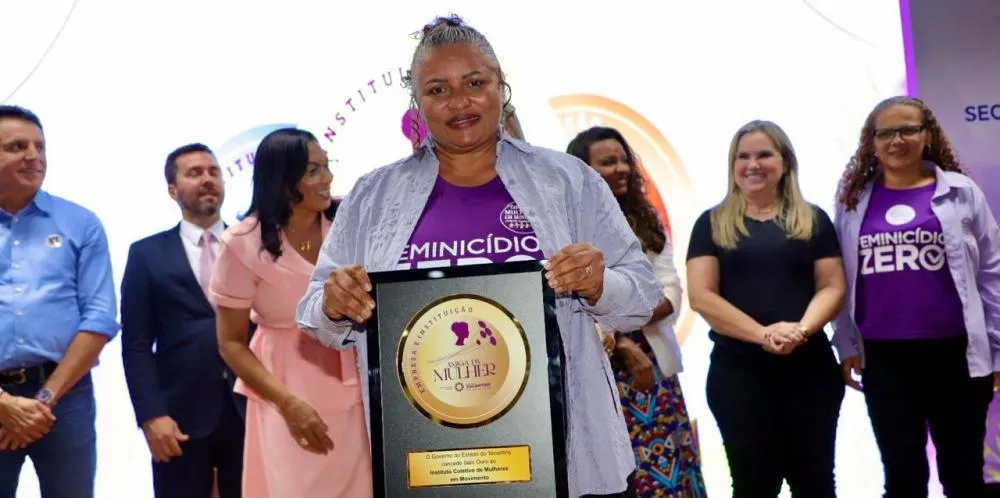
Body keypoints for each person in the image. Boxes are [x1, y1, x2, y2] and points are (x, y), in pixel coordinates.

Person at [296, 15, 662, 498]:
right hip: (430, 463)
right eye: (438, 89)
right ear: (417, 103)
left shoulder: (568, 181)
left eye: (474, 83)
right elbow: (313, 314)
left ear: (500, 87)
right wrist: (334, 302)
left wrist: (600, 283)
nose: (459, 101)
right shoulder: (372, 197)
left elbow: (642, 296)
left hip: (566, 458)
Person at [832, 95, 1000, 497]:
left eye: (908, 129)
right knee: (903, 478)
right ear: (872, 142)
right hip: (884, 360)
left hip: (957, 356)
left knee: (962, 476)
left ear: (927, 136)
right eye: (886, 132)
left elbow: (991, 273)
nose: (897, 140)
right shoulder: (853, 200)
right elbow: (840, 277)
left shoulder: (962, 192)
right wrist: (846, 343)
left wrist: (998, 348)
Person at [686, 120, 846, 497]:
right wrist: (763, 335)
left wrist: (800, 331)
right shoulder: (710, 224)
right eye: (743, 157)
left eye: (764, 155)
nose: (753, 164)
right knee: (753, 486)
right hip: (739, 375)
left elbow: (832, 286)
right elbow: (702, 296)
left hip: (810, 372)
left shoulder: (814, 219)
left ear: (784, 162)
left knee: (816, 484)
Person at [210, 128, 371, 498]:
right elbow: (231, 343)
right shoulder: (242, 243)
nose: (327, 178)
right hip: (286, 395)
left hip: (358, 386)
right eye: (313, 170)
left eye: (327, 166)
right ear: (282, 179)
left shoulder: (349, 222)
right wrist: (286, 402)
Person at [567, 126, 706, 497]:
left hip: (655, 366)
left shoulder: (645, 219)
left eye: (623, 159)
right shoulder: (568, 226)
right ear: (584, 171)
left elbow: (670, 292)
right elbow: (574, 304)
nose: (621, 168)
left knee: (673, 476)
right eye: (608, 162)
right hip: (602, 371)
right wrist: (621, 334)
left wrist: (623, 316)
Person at [0, 105, 118, 498]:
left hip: (64, 398)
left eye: (40, 146)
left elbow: (100, 317)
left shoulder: (80, 223)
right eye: (17, 146)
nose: (33, 156)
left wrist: (43, 401)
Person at [120, 143, 246, 497]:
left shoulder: (251, 245)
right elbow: (136, 344)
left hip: (250, 407)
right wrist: (151, 415)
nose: (207, 179)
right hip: (178, 418)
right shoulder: (146, 254)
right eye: (194, 173)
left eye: (213, 171)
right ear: (173, 190)